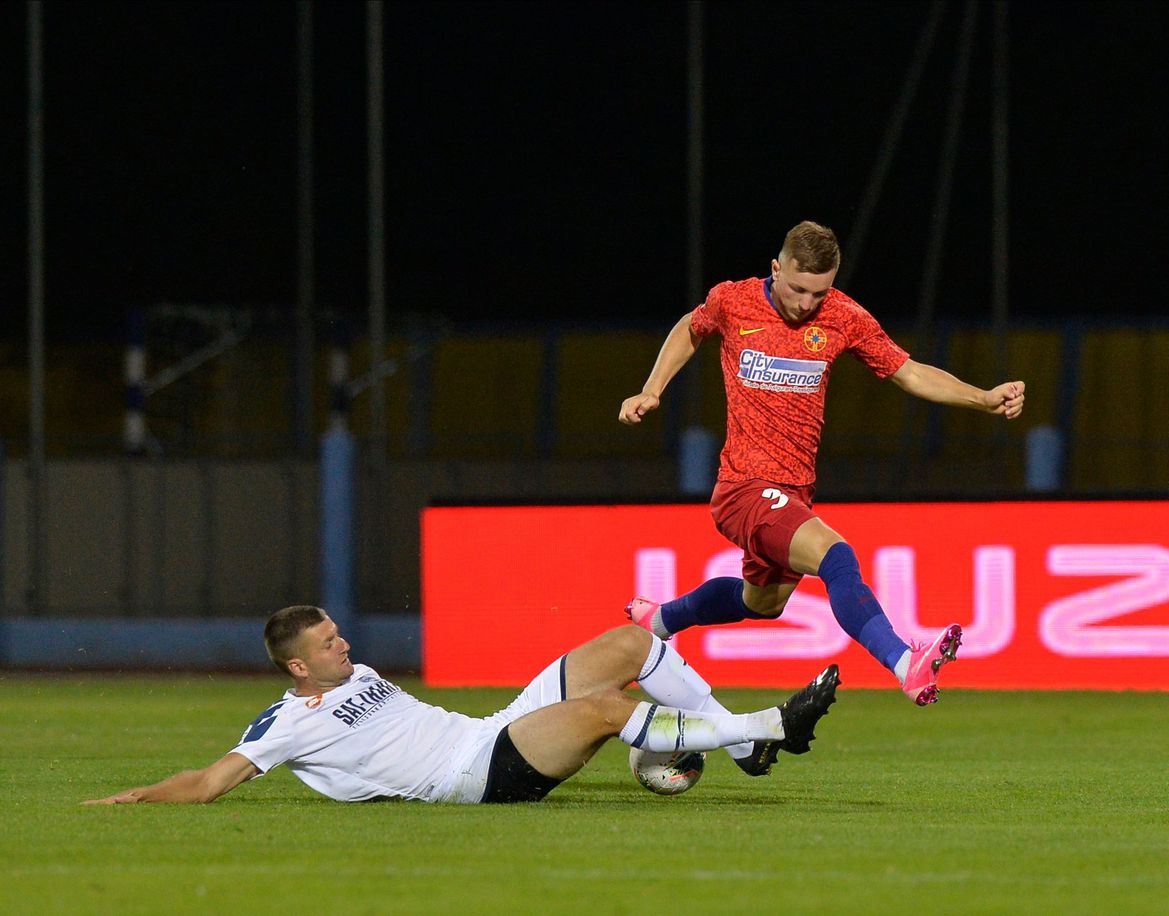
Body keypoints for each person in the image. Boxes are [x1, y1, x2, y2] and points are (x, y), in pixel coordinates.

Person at [618, 221, 1025, 707]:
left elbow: (910, 372)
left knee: (760, 603)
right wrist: (652, 389)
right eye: (797, 289)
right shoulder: (734, 301)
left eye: (819, 292)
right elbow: (691, 326)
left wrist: (983, 398)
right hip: (744, 487)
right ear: (776, 268)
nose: (806, 303)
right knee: (837, 556)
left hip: (794, 492)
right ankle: (904, 662)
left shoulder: (844, 316)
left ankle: (660, 620)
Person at [83, 605, 840, 806]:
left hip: (489, 731)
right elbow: (212, 782)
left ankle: (743, 747)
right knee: (607, 709)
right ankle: (768, 725)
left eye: (341, 634)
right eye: (330, 642)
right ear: (296, 665)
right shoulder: (288, 725)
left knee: (625, 644)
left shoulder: (353, 675)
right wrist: (131, 797)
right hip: (475, 776)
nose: (345, 646)